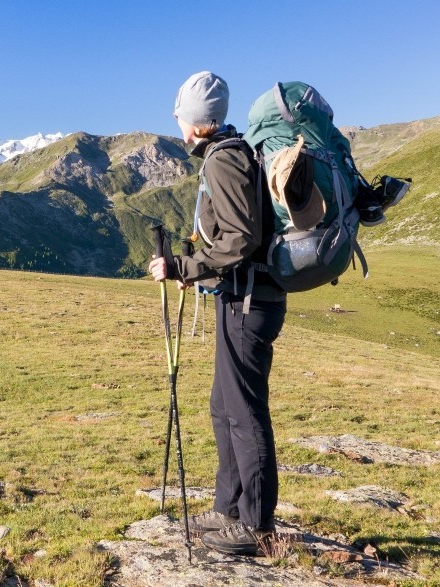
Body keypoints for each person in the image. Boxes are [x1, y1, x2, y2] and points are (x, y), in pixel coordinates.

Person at [148, 71, 287, 556]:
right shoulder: (230, 153)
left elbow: (240, 238)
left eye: (181, 116)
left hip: (247, 303)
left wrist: (182, 266)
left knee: (244, 413)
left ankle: (255, 523)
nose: (178, 125)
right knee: (224, 406)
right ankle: (229, 507)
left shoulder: (223, 162)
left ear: (194, 120)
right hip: (246, 298)